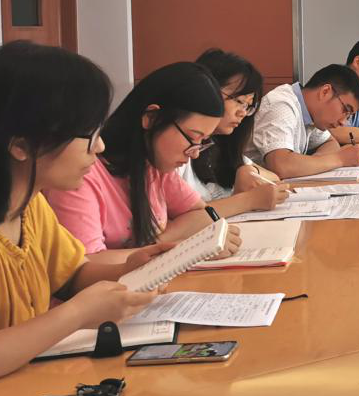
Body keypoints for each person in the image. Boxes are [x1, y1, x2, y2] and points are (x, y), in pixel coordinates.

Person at [0, 42, 170, 396]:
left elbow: (71, 275)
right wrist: (75, 316)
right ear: (21, 145)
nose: (100, 147)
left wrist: (130, 269)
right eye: (89, 134)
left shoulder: (29, 202)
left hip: (10, 393)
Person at [46, 62, 243, 261]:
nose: (195, 154)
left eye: (203, 141)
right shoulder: (80, 174)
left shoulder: (154, 165)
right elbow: (86, 264)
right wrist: (185, 250)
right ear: (152, 118)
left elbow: (202, 214)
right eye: (192, 137)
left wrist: (156, 244)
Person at [178, 49, 292, 218]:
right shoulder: (178, 147)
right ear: (206, 90)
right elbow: (180, 220)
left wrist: (247, 171)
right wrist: (247, 200)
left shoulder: (220, 143)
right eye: (239, 101)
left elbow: (274, 177)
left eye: (248, 106)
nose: (242, 113)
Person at [247, 64, 359, 179]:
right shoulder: (281, 105)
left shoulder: (311, 114)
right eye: (345, 110)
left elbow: (331, 142)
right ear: (325, 92)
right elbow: (281, 166)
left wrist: (314, 164)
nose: (343, 122)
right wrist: (340, 159)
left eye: (348, 116)